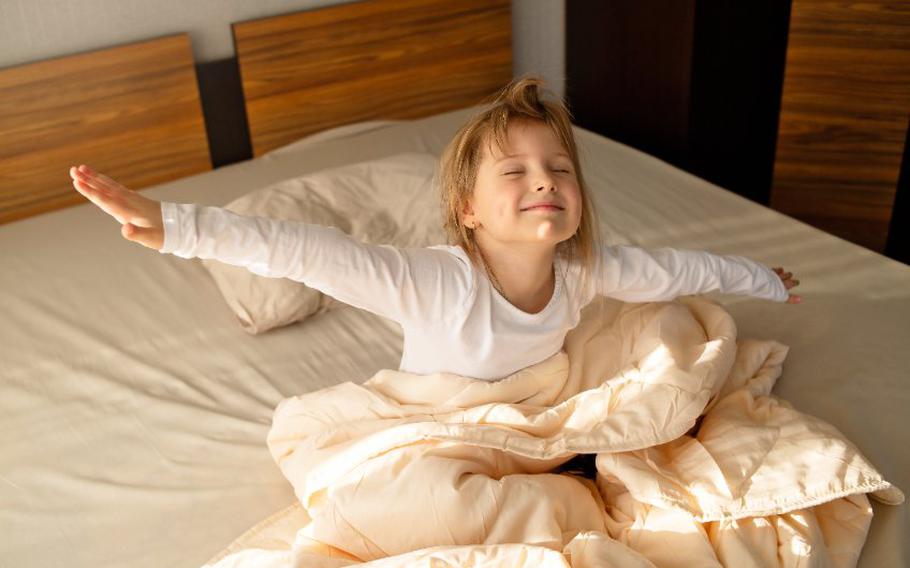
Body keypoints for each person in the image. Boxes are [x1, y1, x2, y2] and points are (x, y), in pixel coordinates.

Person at [69, 76, 801, 382]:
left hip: (532, 405)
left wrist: (762, 277)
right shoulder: (433, 282)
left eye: (560, 169)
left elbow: (678, 268)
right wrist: (171, 223)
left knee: (672, 327)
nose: (544, 179)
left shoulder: (586, 270)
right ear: (469, 213)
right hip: (444, 413)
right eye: (514, 173)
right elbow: (300, 249)